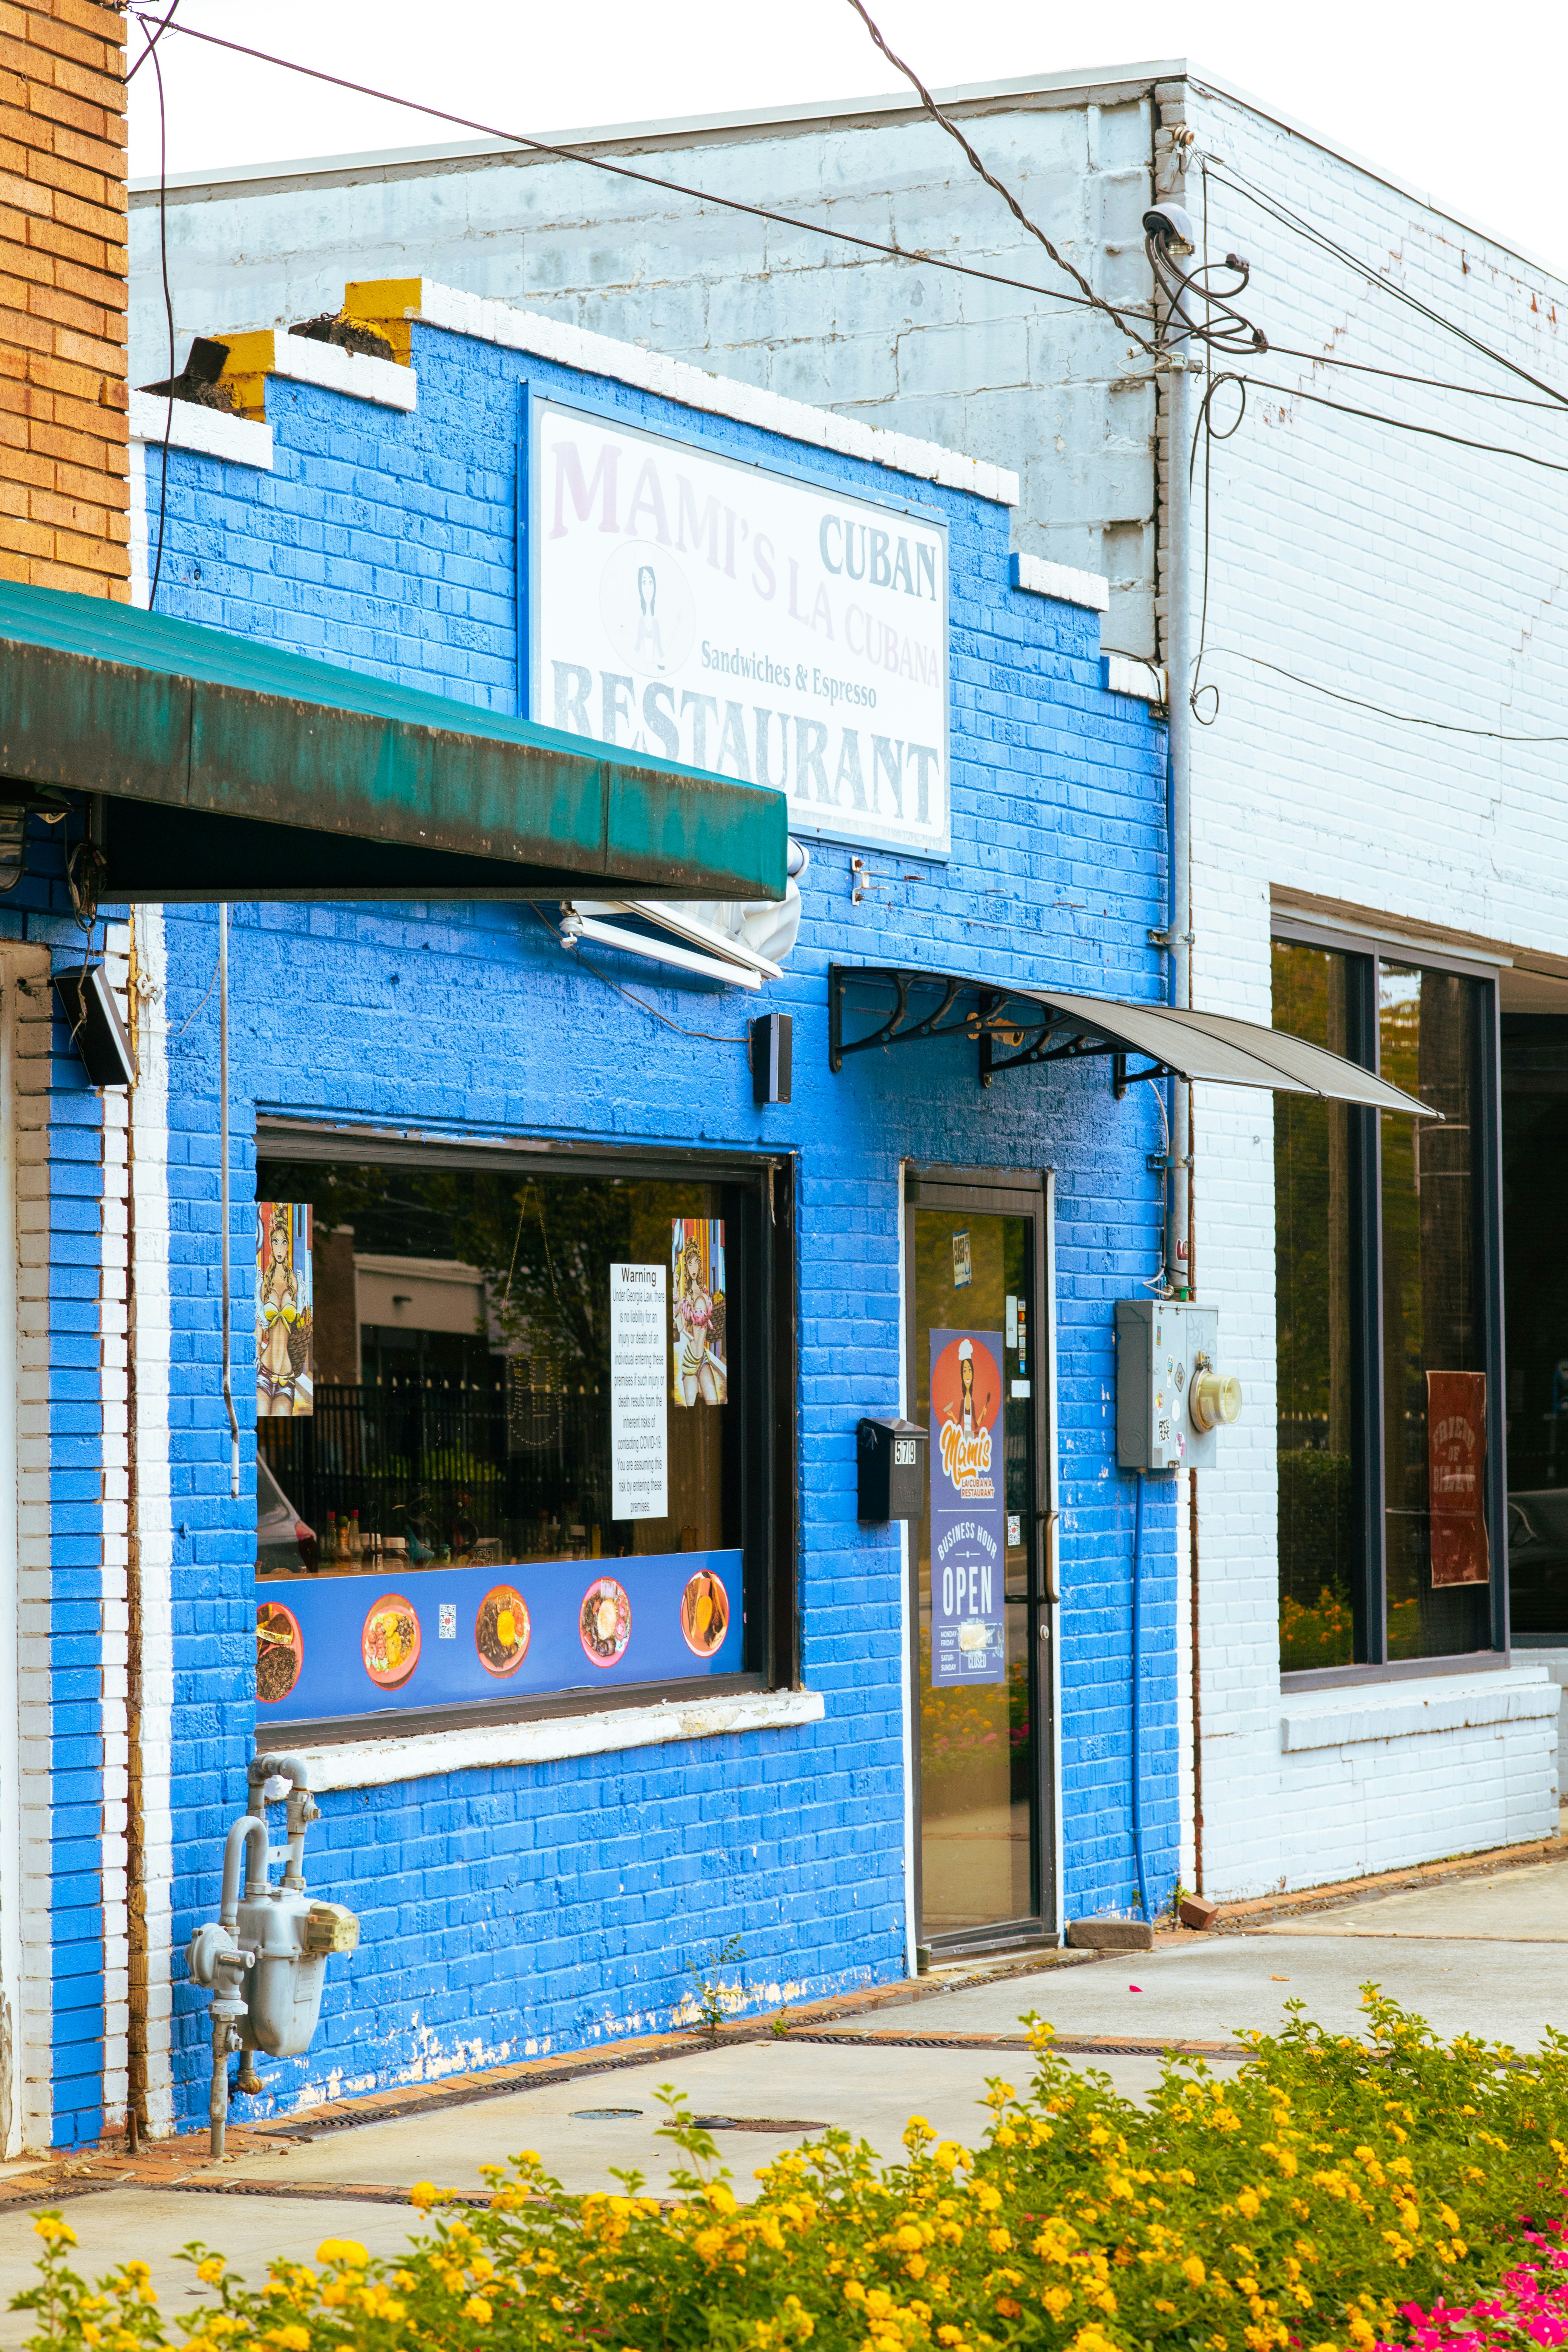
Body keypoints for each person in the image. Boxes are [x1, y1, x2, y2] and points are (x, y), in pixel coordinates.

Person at [257, 1205, 309, 1416]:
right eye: (275, 1242)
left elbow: (301, 1327)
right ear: (270, 1244)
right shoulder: (264, 1285)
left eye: (284, 1242)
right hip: (264, 1371)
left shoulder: (295, 1283)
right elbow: (258, 1330)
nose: (279, 1248)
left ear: (288, 1247)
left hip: (287, 1377)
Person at [673, 1236, 725, 1406]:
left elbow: (708, 1329)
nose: (693, 1267)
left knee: (714, 1402)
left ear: (700, 1265)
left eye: (695, 1262)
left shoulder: (705, 1294)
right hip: (689, 1359)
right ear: (687, 1268)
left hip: (702, 1357)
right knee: (690, 1409)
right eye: (689, 1263)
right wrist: (676, 1304)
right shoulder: (685, 1297)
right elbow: (681, 1328)